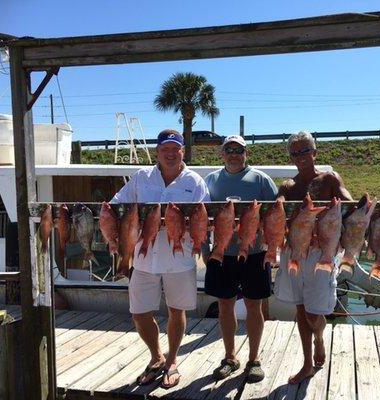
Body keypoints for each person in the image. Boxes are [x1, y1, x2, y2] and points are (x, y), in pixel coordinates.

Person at [111, 129, 210, 389]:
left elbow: (206, 216)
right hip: (143, 259)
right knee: (138, 313)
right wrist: (115, 235)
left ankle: (172, 360)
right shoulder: (141, 178)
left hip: (180, 259)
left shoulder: (195, 182)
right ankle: (156, 356)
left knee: (177, 311)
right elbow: (116, 204)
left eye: (174, 149)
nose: (169, 153)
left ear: (182, 151)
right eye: (164, 149)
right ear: (157, 151)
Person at [275, 131, 353, 385]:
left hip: (323, 253)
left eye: (305, 150)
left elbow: (350, 205)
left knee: (313, 314)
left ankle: (319, 337)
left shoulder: (329, 179)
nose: (301, 156)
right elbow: (276, 215)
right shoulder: (288, 186)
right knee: (300, 308)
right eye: (295, 152)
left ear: (315, 152)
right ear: (290, 157)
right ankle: (307, 363)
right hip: (295, 252)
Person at [203, 135, 278, 383]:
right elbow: (202, 219)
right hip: (223, 254)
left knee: (254, 305)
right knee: (225, 305)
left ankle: (254, 360)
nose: (234, 154)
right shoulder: (211, 180)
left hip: (255, 254)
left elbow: (275, 216)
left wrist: (271, 250)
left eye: (239, 150)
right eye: (229, 150)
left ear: (246, 153)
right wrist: (206, 250)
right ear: (222, 153)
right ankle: (229, 357)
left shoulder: (261, 180)